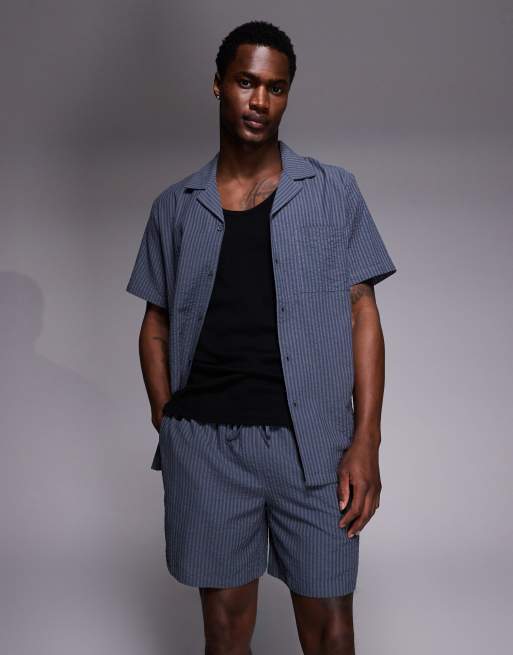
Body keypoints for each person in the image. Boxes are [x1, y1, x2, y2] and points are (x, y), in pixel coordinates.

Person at [126, 19, 397, 655]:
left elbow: (363, 312)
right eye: (246, 82)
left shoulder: (332, 191)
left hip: (314, 447)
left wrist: (366, 439)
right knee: (224, 634)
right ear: (218, 85)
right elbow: (155, 322)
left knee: (331, 631)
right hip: (208, 448)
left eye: (275, 88)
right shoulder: (176, 206)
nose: (259, 100)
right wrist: (170, 422)